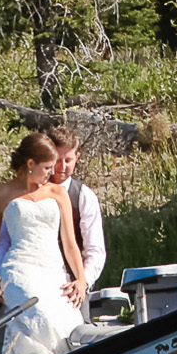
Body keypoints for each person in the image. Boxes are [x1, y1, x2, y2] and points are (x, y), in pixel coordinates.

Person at [0, 132, 88, 354]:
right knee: (43, 318)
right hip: (19, 269)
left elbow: (70, 244)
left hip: (52, 271)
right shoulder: (1, 194)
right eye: (47, 167)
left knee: (68, 321)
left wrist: (81, 280)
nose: (52, 172)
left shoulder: (58, 193)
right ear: (30, 164)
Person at [45, 125, 107, 310]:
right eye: (56, 159)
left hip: (71, 284)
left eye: (68, 160)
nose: (61, 167)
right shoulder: (29, 191)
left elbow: (95, 250)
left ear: (77, 158)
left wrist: (82, 282)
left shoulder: (84, 196)